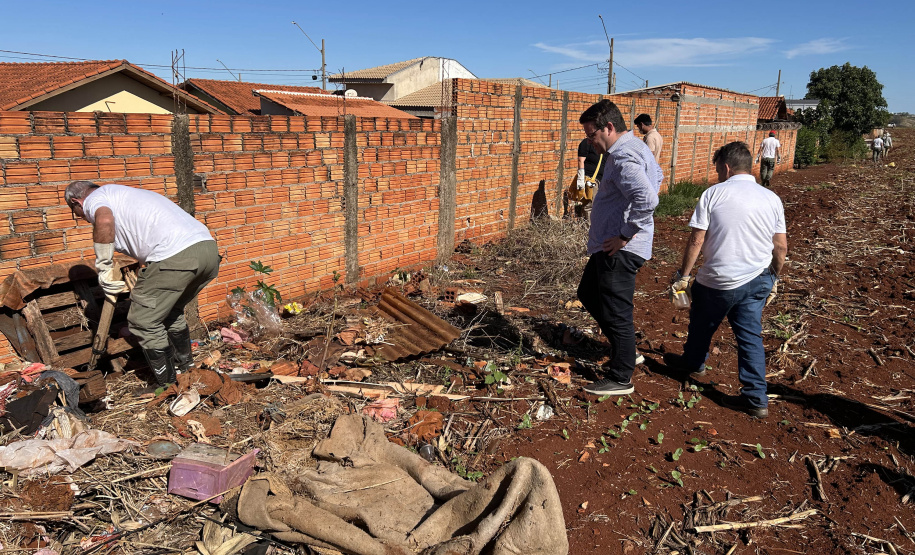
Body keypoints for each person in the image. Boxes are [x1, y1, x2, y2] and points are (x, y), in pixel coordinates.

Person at [663, 142, 787, 418]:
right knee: (750, 336)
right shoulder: (771, 198)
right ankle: (755, 397)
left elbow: (697, 239)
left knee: (701, 323)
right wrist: (774, 278)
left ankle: (694, 363)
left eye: (718, 167)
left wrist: (683, 276)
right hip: (757, 279)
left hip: (717, 281)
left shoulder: (713, 194)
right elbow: (780, 247)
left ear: (726, 167)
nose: (717, 173)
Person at [65, 181, 220, 386]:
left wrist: (103, 268)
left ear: (77, 201)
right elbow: (144, 241)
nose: (85, 218)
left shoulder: (95, 200)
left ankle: (167, 387)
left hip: (175, 255)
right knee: (170, 311)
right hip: (206, 251)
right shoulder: (123, 195)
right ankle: (187, 370)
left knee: (142, 320)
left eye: (79, 214)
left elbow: (103, 221)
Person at [577, 99, 662, 396]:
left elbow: (648, 200)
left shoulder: (624, 156)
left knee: (616, 311)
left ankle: (621, 375)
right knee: (587, 292)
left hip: (620, 249)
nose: (591, 142)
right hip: (611, 245)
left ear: (609, 127)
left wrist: (625, 234)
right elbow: (658, 178)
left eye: (592, 135)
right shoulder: (636, 147)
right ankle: (626, 349)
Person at [568, 138, 607, 217]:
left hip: (603, 180)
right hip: (591, 180)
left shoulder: (605, 143)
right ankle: (588, 227)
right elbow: (580, 160)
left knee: (601, 205)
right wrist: (581, 177)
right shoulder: (586, 143)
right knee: (589, 205)